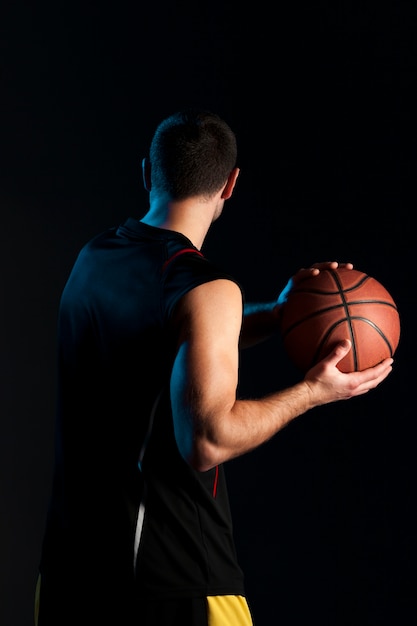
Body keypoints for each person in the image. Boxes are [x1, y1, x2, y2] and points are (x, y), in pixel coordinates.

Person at [35, 108, 393, 626]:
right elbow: (207, 440)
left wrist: (276, 315)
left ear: (146, 173)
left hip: (71, 578)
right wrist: (314, 391)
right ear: (230, 185)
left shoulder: (94, 259)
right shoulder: (208, 288)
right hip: (171, 581)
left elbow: (164, 337)